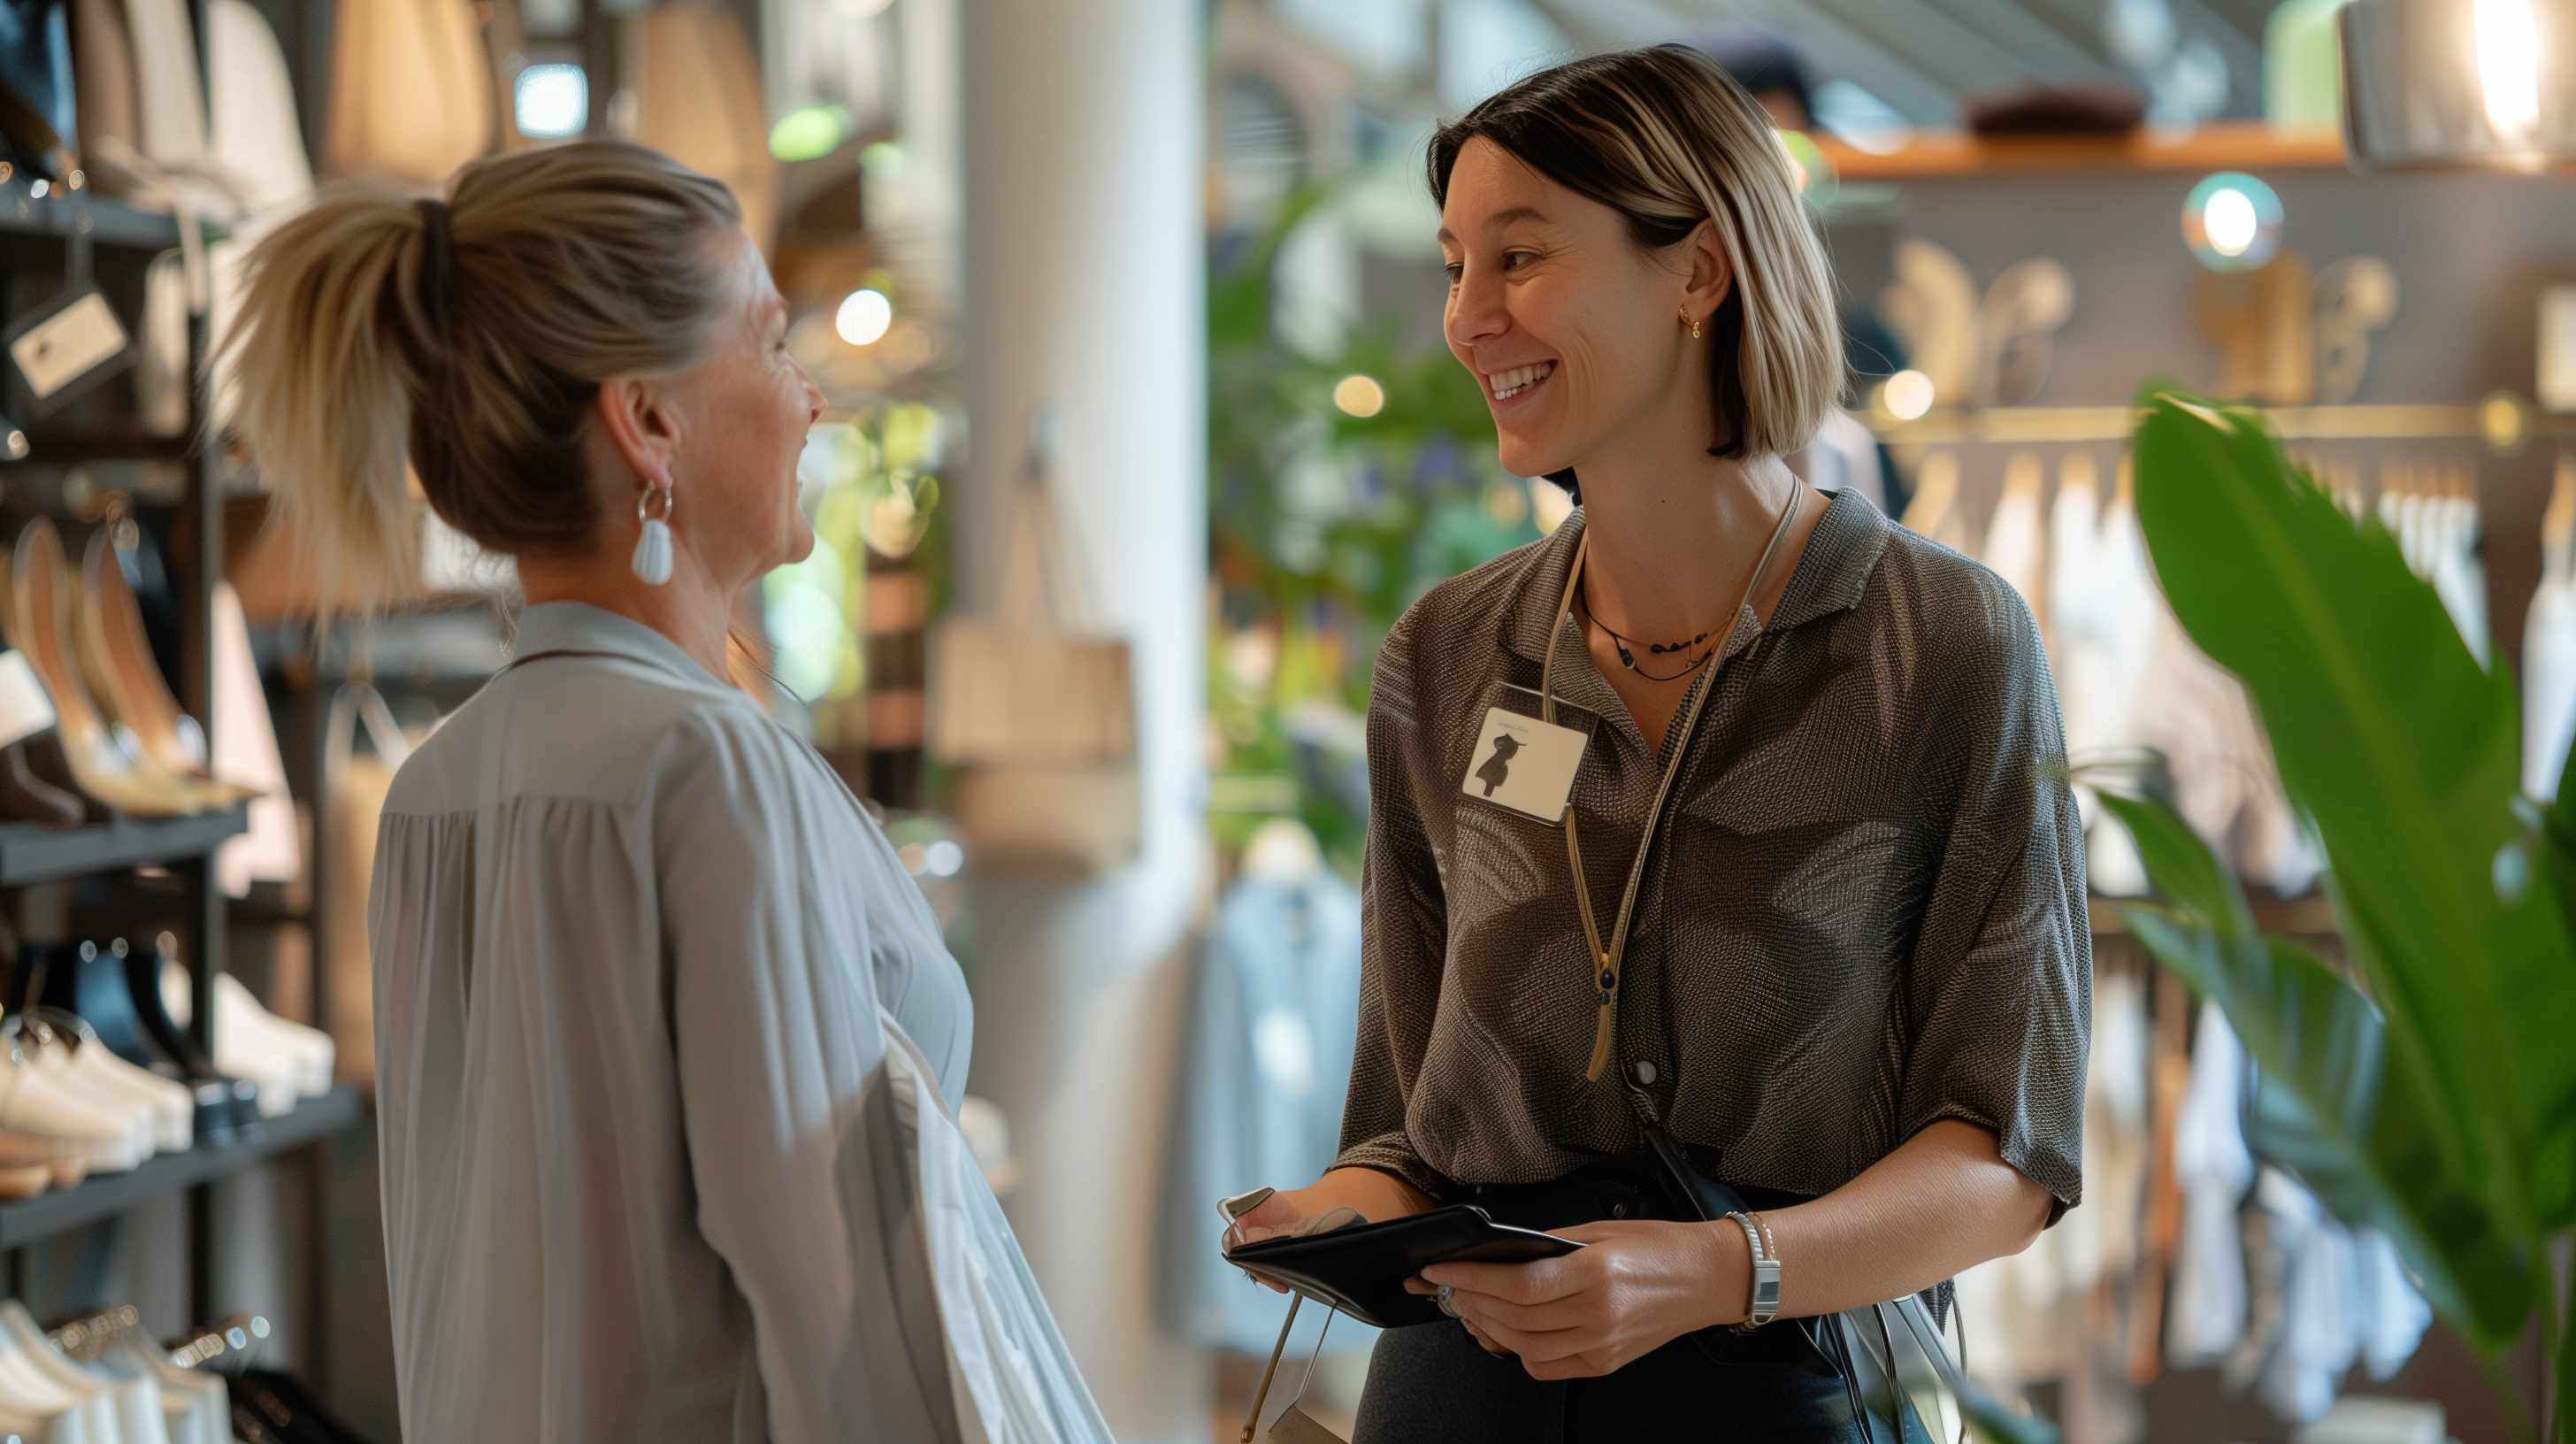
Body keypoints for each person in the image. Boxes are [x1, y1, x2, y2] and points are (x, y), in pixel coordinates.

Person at [1223, 46, 2089, 1441]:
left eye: (1519, 256)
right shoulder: (1446, 658)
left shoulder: (1942, 646)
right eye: (1454, 265)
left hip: (1788, 1396)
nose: (1467, 317)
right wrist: (1334, 1219)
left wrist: (1722, 1272)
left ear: (1698, 271)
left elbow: (2011, 1152)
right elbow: (1401, 1122)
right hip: (1461, 1404)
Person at [221, 142, 1097, 1442]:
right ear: (648, 419)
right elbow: (835, 1324)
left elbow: (453, 1292)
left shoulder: (434, 790)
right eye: (771, 344)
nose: (809, 401)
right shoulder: (710, 772)